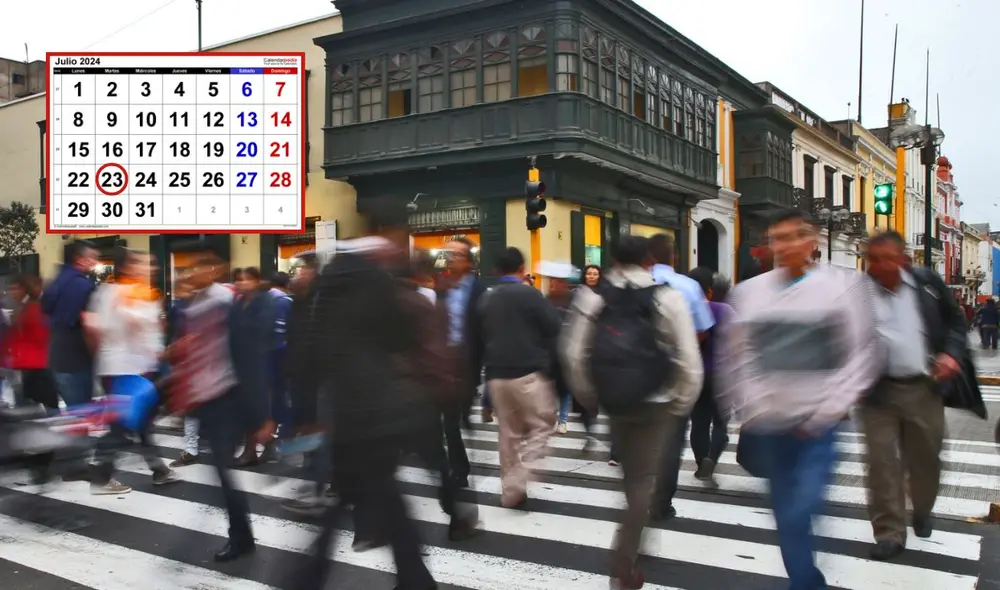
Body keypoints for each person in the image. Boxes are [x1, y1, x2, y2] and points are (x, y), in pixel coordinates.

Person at [717, 210, 880, 589]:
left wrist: (831, 408)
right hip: (771, 426)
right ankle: (807, 581)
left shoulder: (843, 287)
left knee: (801, 507)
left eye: (796, 236)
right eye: (779, 237)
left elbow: (861, 353)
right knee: (787, 517)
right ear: (770, 244)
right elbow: (736, 358)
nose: (787, 245)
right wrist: (750, 406)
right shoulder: (749, 294)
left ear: (812, 242)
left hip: (817, 427)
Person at [289, 214, 438, 590]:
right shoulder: (378, 282)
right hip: (375, 409)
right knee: (377, 495)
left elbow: (311, 350)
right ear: (381, 235)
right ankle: (413, 578)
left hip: (345, 408)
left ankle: (312, 578)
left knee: (357, 496)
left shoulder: (330, 281)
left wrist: (307, 409)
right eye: (395, 238)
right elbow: (401, 342)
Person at [560, 235, 702, 589]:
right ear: (649, 261)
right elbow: (689, 359)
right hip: (656, 400)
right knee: (642, 482)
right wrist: (682, 401)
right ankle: (624, 558)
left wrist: (589, 396)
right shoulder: (666, 297)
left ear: (612, 260)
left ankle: (636, 535)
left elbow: (574, 354)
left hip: (615, 399)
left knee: (631, 476)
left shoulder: (592, 297)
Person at [861, 231, 970, 560]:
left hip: (924, 386)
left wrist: (951, 354)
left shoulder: (927, 285)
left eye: (886, 259)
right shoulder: (859, 292)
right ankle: (889, 533)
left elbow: (956, 323)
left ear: (903, 259)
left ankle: (922, 508)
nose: (879, 266)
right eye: (873, 259)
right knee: (881, 464)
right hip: (877, 391)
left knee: (925, 460)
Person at [165, 241, 267, 562]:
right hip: (205, 397)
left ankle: (241, 537)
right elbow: (187, 344)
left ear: (215, 270)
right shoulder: (194, 302)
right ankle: (242, 535)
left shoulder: (224, 302)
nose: (191, 273)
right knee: (220, 472)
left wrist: (261, 413)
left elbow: (247, 354)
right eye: (189, 267)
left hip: (225, 398)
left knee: (223, 471)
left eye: (199, 267)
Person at [89, 249, 178, 494]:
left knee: (142, 422)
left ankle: (160, 470)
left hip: (134, 369)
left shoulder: (133, 293)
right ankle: (101, 478)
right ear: (128, 267)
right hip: (123, 370)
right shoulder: (118, 293)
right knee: (122, 425)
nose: (150, 269)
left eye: (151, 264)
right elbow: (104, 327)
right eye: (143, 264)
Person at [480, 247, 563, 508]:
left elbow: (479, 340)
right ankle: (519, 478)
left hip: (496, 376)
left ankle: (511, 492)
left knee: (509, 433)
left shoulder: (486, 299)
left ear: (497, 270)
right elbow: (554, 326)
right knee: (543, 425)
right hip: (527, 373)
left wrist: (485, 397)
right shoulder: (529, 295)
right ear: (520, 268)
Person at [647, 233, 715, 521]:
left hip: (637, 372)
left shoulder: (633, 283)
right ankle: (661, 502)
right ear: (674, 257)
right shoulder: (688, 286)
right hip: (675, 371)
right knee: (672, 436)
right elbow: (702, 331)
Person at [441, 237, 486, 487]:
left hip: (468, 363)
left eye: (457, 255)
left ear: (468, 261)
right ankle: (459, 468)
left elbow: (484, 332)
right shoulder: (444, 287)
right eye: (449, 254)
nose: (451, 259)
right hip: (447, 362)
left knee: (459, 414)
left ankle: (466, 415)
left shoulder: (479, 291)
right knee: (449, 420)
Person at [685, 267, 732, 483]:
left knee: (699, 423)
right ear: (710, 291)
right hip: (722, 375)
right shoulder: (725, 311)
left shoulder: (686, 312)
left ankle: (700, 461)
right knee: (721, 423)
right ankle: (711, 460)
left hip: (696, 374)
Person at [41, 240, 98, 407]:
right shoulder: (83, 286)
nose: (95, 262)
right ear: (79, 259)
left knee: (74, 412)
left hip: (56, 356)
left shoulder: (54, 282)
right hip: (77, 359)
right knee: (82, 412)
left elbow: (45, 310)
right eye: (92, 258)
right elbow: (89, 326)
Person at [231, 267, 277, 467]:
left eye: (247, 279)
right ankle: (260, 447)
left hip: (260, 362)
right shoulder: (238, 303)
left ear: (257, 281)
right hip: (241, 364)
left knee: (258, 408)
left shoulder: (265, 301)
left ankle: (257, 447)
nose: (242, 283)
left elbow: (264, 329)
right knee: (247, 409)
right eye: (239, 280)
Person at [2, 275, 58, 410]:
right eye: (10, 289)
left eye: (15, 289)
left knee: (35, 403)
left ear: (25, 290)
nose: (12, 292)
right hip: (28, 363)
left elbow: (40, 336)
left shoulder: (31, 309)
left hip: (35, 364)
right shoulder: (22, 308)